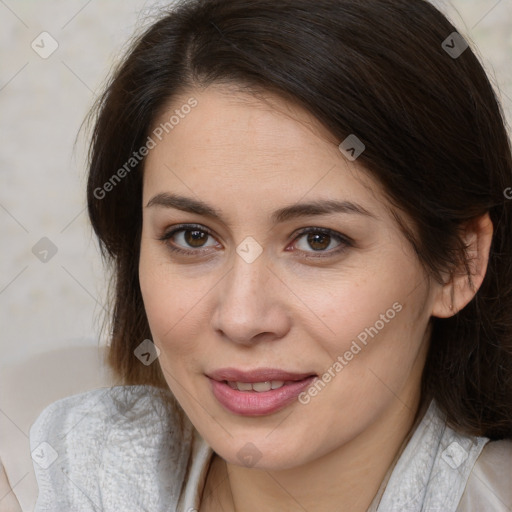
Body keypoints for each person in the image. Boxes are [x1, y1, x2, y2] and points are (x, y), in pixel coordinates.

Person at [27, 0, 512, 510]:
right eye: (192, 236)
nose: (241, 318)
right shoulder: (50, 470)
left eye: (318, 240)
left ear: (459, 264)